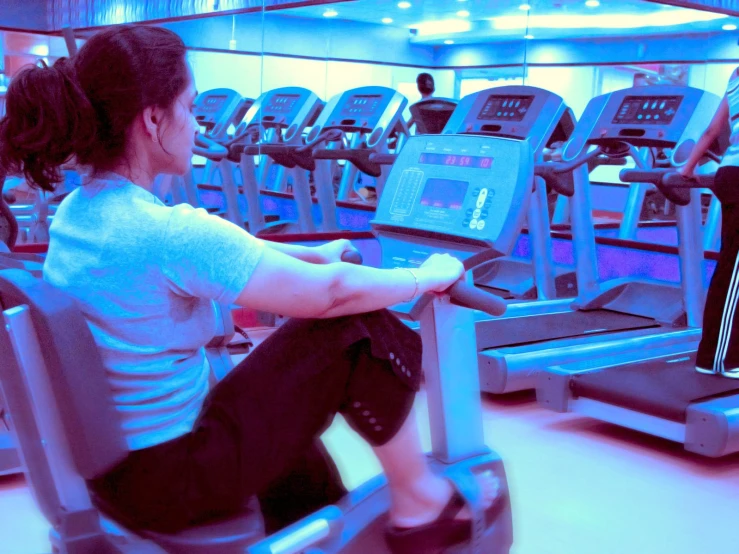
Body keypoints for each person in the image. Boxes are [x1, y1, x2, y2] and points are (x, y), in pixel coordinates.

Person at [0, 24, 501, 551]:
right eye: (190, 109)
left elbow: (229, 254)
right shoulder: (166, 232)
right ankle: (420, 502)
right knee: (354, 325)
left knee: (293, 434)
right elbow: (328, 294)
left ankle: (318, 524)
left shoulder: (83, 212)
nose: (196, 125)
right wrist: (426, 277)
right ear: (152, 120)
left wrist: (313, 252)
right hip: (172, 476)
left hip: (125, 473)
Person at [679, 68, 738, 378]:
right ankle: (721, 359)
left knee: (730, 266)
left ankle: (715, 355)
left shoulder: (735, 75)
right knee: (733, 271)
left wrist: (688, 168)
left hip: (728, 173)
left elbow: (712, 131)